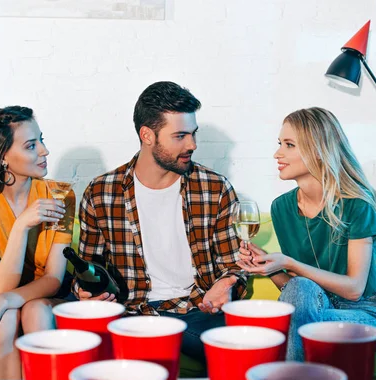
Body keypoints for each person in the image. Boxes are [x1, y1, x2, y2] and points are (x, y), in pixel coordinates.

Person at [75, 81, 247, 364]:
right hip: (128, 312)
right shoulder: (101, 192)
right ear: (147, 135)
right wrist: (85, 293)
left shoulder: (214, 188)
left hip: (194, 312)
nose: (192, 145)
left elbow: (234, 265)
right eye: (180, 136)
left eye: (193, 134)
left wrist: (227, 283)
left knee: (238, 350)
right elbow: (87, 267)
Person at [237, 107, 376, 361]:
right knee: (300, 292)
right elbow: (296, 290)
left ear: (319, 151)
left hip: (362, 314)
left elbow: (354, 289)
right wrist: (272, 268)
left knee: (286, 320)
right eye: (280, 144)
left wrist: (288, 263)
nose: (277, 153)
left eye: (289, 145)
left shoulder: (357, 206)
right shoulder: (282, 207)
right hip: (310, 309)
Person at [0, 106, 75, 379]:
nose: (44, 151)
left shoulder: (61, 195)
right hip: (5, 295)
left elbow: (54, 279)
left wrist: (0, 302)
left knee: (34, 311)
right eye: (32, 145)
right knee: (5, 320)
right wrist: (21, 226)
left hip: (51, 297)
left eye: (41, 140)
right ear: (3, 157)